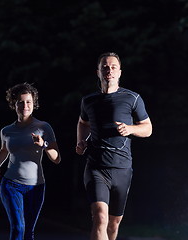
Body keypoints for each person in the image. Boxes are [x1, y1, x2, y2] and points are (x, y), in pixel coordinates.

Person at [76, 52, 152, 240]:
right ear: (98, 72)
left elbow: (148, 128)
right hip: (96, 167)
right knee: (99, 217)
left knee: (113, 223)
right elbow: (83, 123)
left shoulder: (132, 98)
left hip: (122, 168)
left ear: (119, 72)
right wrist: (80, 141)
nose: (109, 70)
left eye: (113, 67)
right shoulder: (88, 101)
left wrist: (130, 129)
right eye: (105, 67)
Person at [0, 82, 61, 240]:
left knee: (28, 231)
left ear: (34, 103)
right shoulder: (6, 131)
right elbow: (4, 150)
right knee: (18, 228)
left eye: (28, 101)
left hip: (36, 187)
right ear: (14, 104)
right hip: (11, 184)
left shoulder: (43, 127)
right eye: (20, 102)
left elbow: (57, 158)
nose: (25, 105)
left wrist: (44, 145)